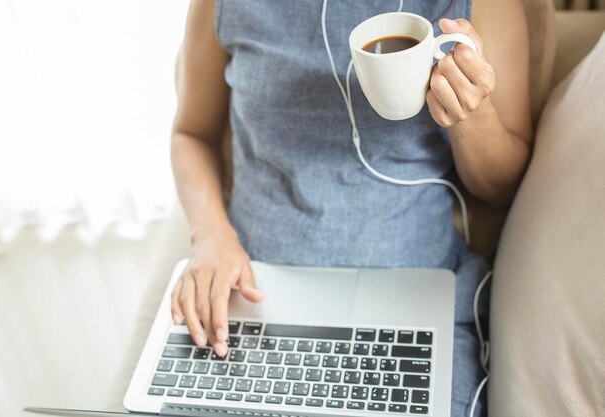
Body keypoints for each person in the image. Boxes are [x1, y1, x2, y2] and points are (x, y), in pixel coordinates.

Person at [170, 0, 531, 415]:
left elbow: (503, 189)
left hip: (410, 296)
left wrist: (472, 113)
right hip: (257, 293)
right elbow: (191, 134)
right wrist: (211, 238)